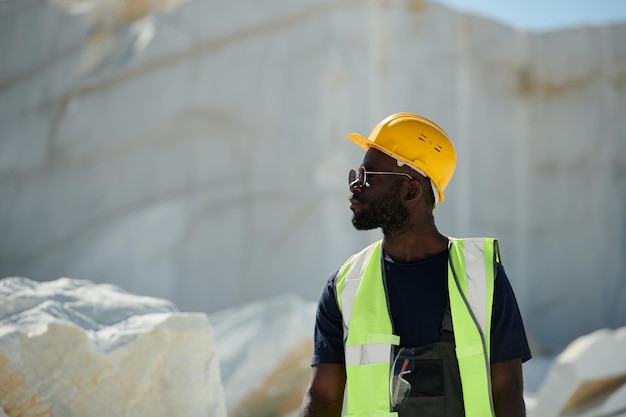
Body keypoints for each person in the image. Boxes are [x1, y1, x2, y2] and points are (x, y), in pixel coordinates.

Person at [298, 113, 531, 417]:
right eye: (355, 175)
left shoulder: (483, 276)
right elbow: (323, 398)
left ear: (411, 190)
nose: (355, 186)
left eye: (367, 176)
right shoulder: (345, 285)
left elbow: (507, 390)